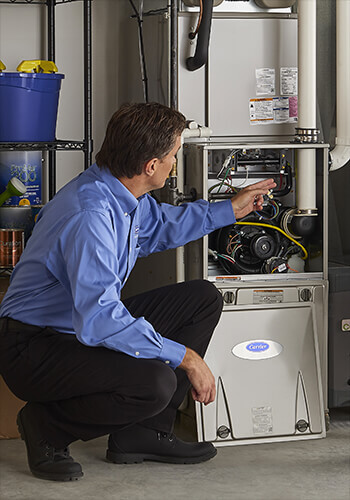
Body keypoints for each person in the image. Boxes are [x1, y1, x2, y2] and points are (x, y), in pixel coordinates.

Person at [0, 102, 275, 482]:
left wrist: (229, 209)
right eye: (173, 156)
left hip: (75, 327)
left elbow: (162, 225)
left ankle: (143, 433)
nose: (174, 164)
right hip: (35, 348)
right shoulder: (90, 216)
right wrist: (187, 358)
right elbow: (99, 321)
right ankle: (45, 426)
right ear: (151, 166)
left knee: (201, 299)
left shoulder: (121, 194)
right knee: (154, 382)